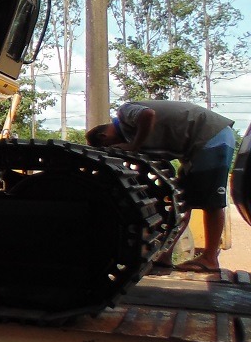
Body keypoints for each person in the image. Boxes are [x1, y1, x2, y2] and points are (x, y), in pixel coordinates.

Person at [86, 100, 236, 272]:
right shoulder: (135, 135)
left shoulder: (125, 112)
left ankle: (210, 258)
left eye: (108, 148)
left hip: (211, 136)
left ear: (104, 137)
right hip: (194, 147)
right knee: (182, 202)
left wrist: (134, 147)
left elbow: (148, 114)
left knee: (211, 201)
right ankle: (164, 255)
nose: (117, 149)